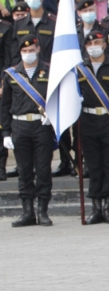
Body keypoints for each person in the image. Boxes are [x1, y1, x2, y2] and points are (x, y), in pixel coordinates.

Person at [2, 37, 55, 227]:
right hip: (20, 126)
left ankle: (43, 211)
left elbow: (56, 98)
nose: (28, 53)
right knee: (24, 171)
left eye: (31, 49)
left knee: (43, 169)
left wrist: (53, 115)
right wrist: (6, 132)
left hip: (42, 126)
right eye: (25, 51)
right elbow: (5, 105)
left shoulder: (50, 70)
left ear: (38, 49)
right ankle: (27, 212)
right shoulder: (11, 74)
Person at [78, 31, 109, 224]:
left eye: (97, 42)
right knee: (93, 165)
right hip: (88, 121)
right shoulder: (79, 69)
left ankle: (108, 207)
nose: (93, 46)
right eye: (90, 43)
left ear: (104, 45)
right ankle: (95, 207)